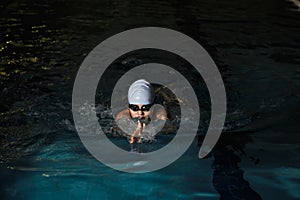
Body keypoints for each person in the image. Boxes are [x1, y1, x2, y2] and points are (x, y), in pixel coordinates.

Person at [115, 79, 168, 143]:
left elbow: (168, 127)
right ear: (129, 107)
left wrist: (148, 131)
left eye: (145, 108)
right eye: (135, 108)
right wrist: (134, 130)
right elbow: (121, 124)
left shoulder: (159, 113)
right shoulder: (124, 114)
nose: (140, 113)